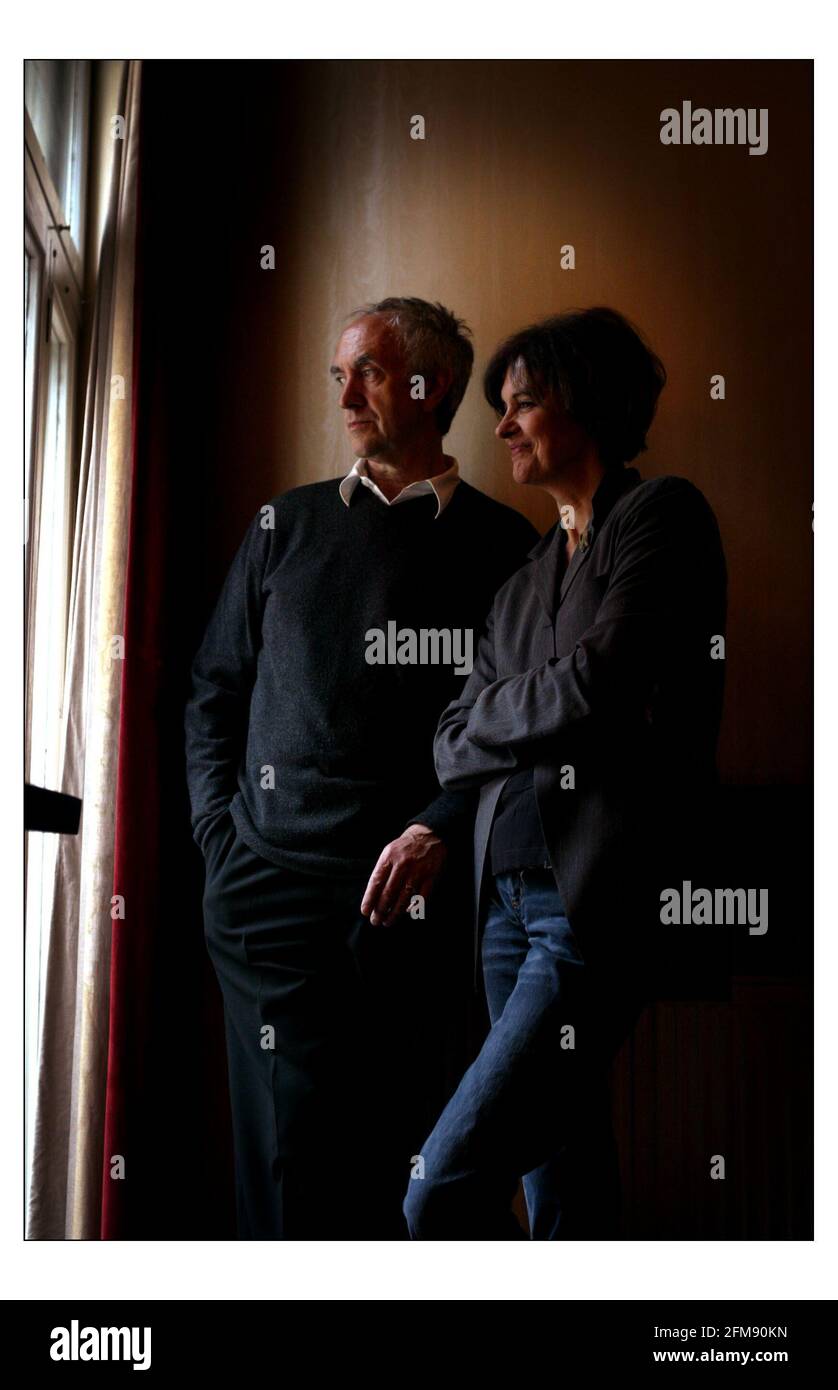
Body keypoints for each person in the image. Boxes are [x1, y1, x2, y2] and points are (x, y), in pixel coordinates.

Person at [184, 297, 539, 1238]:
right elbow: (214, 691)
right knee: (288, 1166)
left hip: (422, 914)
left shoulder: (508, 550)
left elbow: (517, 734)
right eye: (339, 373)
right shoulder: (283, 527)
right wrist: (220, 844)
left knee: (411, 1168)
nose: (345, 393)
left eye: (370, 372)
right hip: (268, 896)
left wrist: (443, 828)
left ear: (437, 388)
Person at [404, 306, 727, 1239]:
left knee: (438, 1190)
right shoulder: (522, 579)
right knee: (565, 1187)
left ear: (584, 404)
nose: (500, 426)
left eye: (522, 404)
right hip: (499, 912)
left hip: (592, 904)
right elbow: (449, 738)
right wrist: (527, 714)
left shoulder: (662, 516)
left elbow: (602, 683)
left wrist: (510, 716)